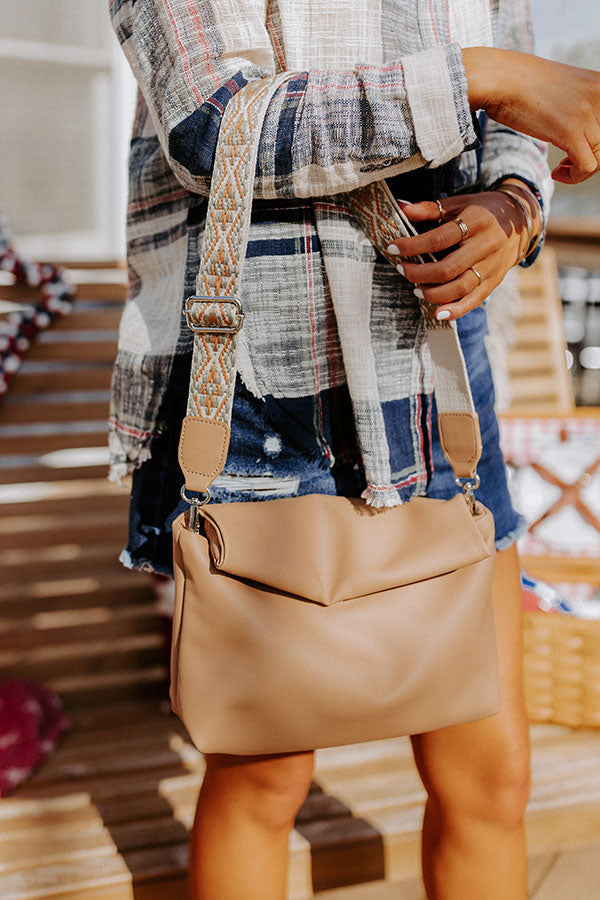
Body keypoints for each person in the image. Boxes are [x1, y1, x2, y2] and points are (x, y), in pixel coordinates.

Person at [108, 1, 600, 897]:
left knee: (491, 772)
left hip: (440, 370)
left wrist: (513, 206)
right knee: (264, 776)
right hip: (261, 372)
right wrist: (486, 76)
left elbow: (523, 134)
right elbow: (211, 123)